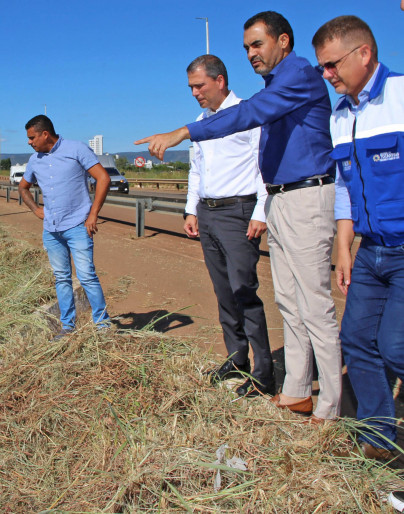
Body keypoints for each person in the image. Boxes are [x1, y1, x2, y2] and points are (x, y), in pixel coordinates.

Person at [135, 11, 342, 422]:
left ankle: (331, 405)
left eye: (257, 44)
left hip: (305, 196)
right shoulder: (276, 85)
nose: (250, 54)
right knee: (288, 300)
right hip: (283, 197)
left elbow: (245, 116)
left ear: (283, 41)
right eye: (247, 46)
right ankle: (297, 390)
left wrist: (182, 132)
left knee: (314, 304)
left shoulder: (297, 75)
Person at [313, 15, 404, 459]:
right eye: (322, 69)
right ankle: (380, 439)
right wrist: (344, 247)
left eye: (332, 65)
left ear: (363, 54)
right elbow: (347, 188)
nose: (327, 75)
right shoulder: (341, 115)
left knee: (396, 346)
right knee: (358, 342)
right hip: (371, 252)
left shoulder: (401, 97)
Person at [182, 54, 274, 398]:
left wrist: (261, 211)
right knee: (223, 293)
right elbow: (197, 169)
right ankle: (237, 359)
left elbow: (263, 164)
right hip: (207, 213)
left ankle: (264, 374)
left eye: (199, 86)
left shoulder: (249, 116)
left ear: (220, 81)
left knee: (243, 292)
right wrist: (192, 210)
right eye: (191, 87)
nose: (195, 93)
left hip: (239, 212)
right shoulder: (200, 121)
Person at [18, 114, 112, 334]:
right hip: (51, 230)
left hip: (78, 225)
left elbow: (103, 178)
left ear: (45, 134)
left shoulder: (76, 149)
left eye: (32, 138)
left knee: (87, 276)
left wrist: (93, 214)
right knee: (61, 279)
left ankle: (103, 326)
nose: (29, 142)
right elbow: (23, 187)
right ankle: (67, 327)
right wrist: (35, 209)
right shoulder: (34, 160)